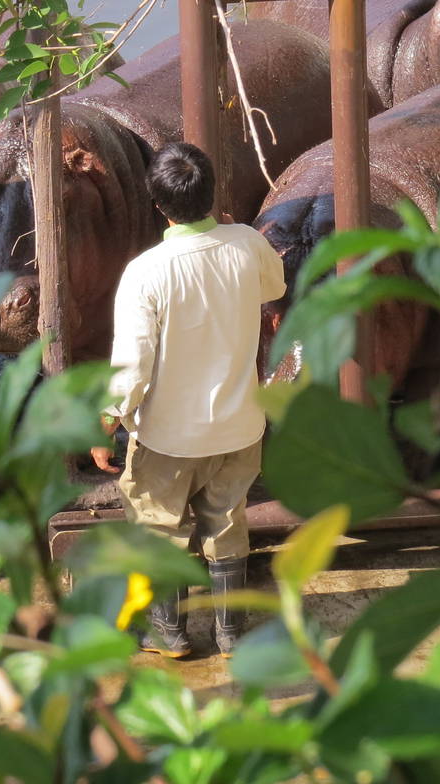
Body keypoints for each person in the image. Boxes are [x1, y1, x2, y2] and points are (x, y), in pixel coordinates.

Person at [91, 142, 286, 658]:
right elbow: (275, 284)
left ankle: (170, 634)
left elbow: (131, 365)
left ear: (158, 205)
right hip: (240, 427)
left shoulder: (146, 272)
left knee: (160, 529)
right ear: (211, 192)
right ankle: (229, 634)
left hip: (168, 436)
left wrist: (107, 420)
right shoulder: (247, 244)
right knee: (227, 522)